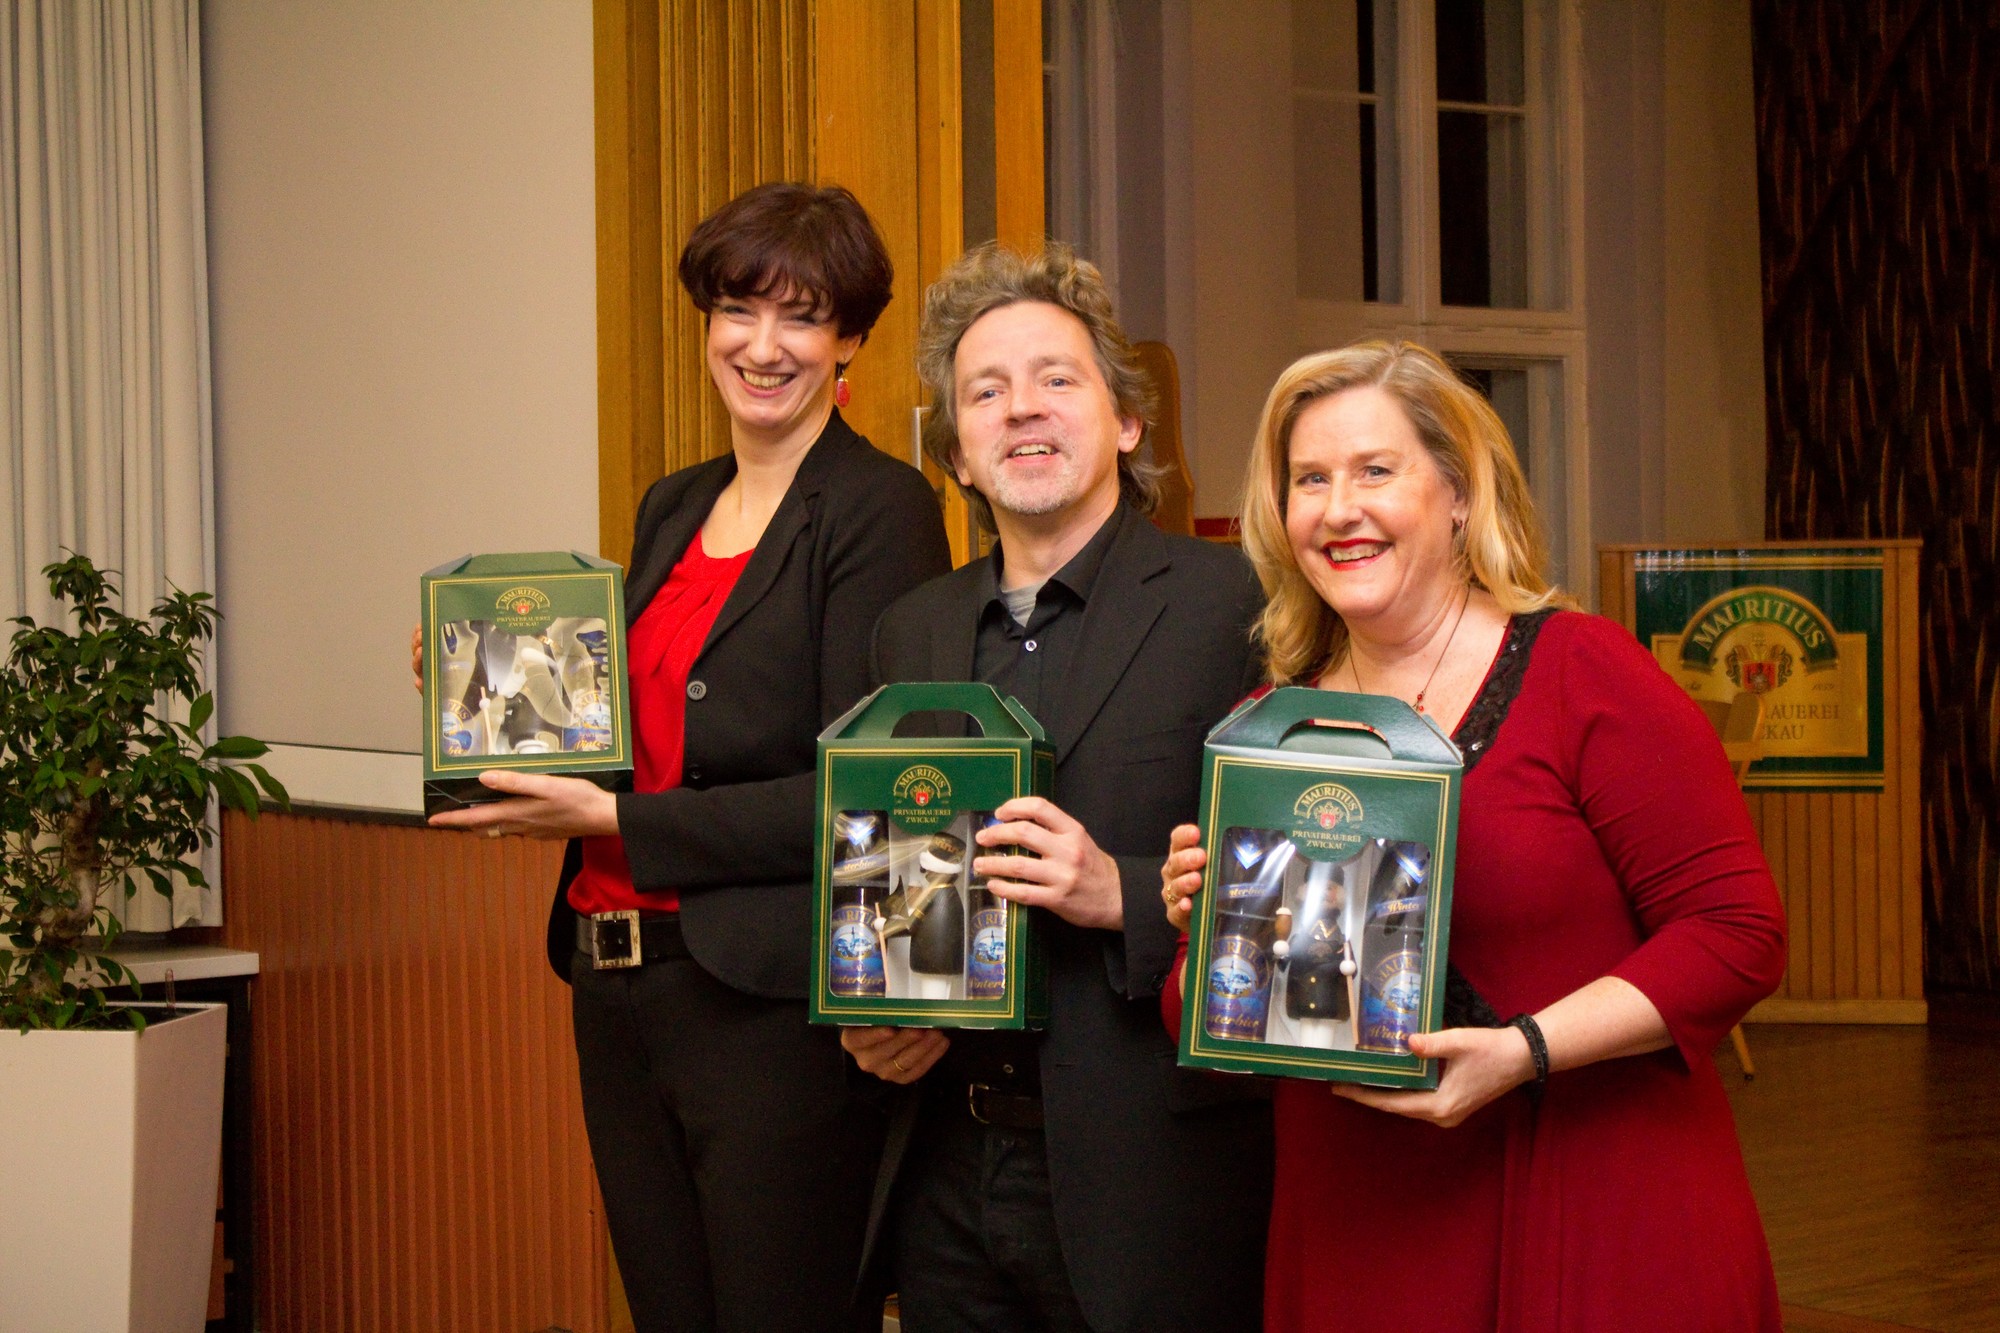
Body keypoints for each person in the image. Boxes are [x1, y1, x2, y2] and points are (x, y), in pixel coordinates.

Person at [1159, 340, 1789, 1332]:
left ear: (1456, 493)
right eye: (1308, 480)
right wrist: (1206, 928)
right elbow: (1207, 1024)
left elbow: (1737, 933)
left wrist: (1525, 1048)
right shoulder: (1267, 731)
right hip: (1364, 1233)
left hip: (1594, 1209)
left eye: (1375, 469)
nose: (1338, 508)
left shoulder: (1582, 671)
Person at [426, 182, 951, 1333]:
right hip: (613, 986)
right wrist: (484, 687)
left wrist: (617, 826)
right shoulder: (674, 505)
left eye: (801, 316)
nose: (762, 346)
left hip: (764, 1006)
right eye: (737, 310)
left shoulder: (878, 509)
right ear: (705, 322)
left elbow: (859, 797)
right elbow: (633, 733)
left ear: (849, 339)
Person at [843, 242, 1272, 1332]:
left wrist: (1121, 892)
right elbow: (891, 867)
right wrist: (872, 1007)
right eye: (985, 392)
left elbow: (1306, 878)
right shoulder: (909, 630)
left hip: (1154, 1174)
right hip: (942, 1163)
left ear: (1126, 421)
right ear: (957, 451)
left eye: (1055, 378)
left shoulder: (1240, 604)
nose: (1021, 408)